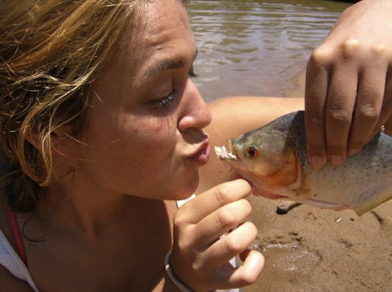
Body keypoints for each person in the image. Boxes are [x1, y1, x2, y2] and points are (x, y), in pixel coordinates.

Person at [0, 1, 391, 292]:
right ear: (48, 128)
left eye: (192, 73)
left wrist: (378, 13)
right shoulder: (12, 262)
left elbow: (366, 118)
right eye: (162, 94)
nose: (204, 113)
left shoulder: (219, 141)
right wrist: (181, 284)